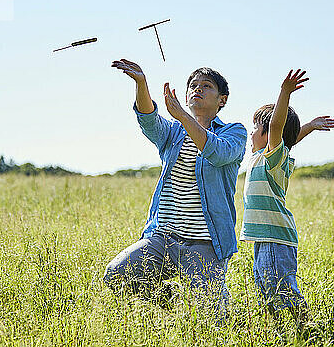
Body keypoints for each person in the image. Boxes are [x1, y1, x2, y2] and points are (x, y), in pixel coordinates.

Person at [104, 59, 247, 312]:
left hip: (205, 243)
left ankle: (221, 313)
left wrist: (181, 114)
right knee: (116, 274)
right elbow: (149, 120)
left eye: (206, 86)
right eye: (193, 85)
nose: (197, 89)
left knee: (213, 317)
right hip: (163, 237)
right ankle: (169, 302)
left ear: (221, 100)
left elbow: (217, 152)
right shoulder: (173, 132)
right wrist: (141, 83)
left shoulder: (234, 132)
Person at [238, 69, 334, 325]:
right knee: (267, 291)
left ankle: (306, 327)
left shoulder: (274, 159)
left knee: (281, 289)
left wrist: (284, 93)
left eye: (255, 128)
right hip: (264, 238)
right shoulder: (263, 157)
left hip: (275, 237)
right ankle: (285, 330)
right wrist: (310, 127)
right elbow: (288, 138)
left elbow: (278, 127)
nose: (251, 133)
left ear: (269, 134)